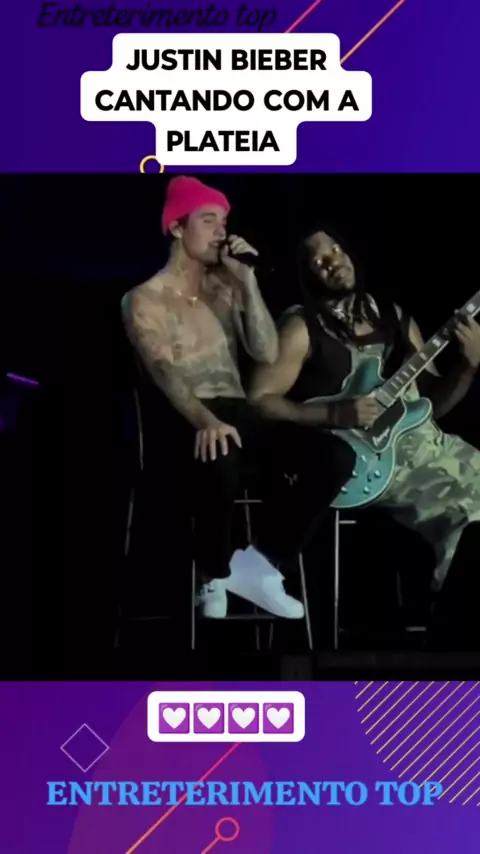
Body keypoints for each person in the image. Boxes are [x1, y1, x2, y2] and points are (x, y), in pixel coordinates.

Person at [122, 180, 354, 620]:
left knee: (335, 456)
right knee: (220, 449)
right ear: (177, 227)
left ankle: (259, 564)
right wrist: (204, 420)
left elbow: (266, 351)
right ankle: (212, 572)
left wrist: (247, 283)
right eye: (208, 221)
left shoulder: (226, 288)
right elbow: (163, 371)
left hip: (238, 413)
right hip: (181, 416)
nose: (221, 232)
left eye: (224, 222)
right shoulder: (144, 298)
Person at [249, 226, 480, 596]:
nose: (333, 261)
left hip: (436, 449)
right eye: (319, 260)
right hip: (378, 466)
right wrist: (334, 415)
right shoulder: (301, 327)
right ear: (306, 275)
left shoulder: (393, 317)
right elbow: (259, 401)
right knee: (467, 520)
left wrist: (467, 366)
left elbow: (433, 406)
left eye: (336, 249)